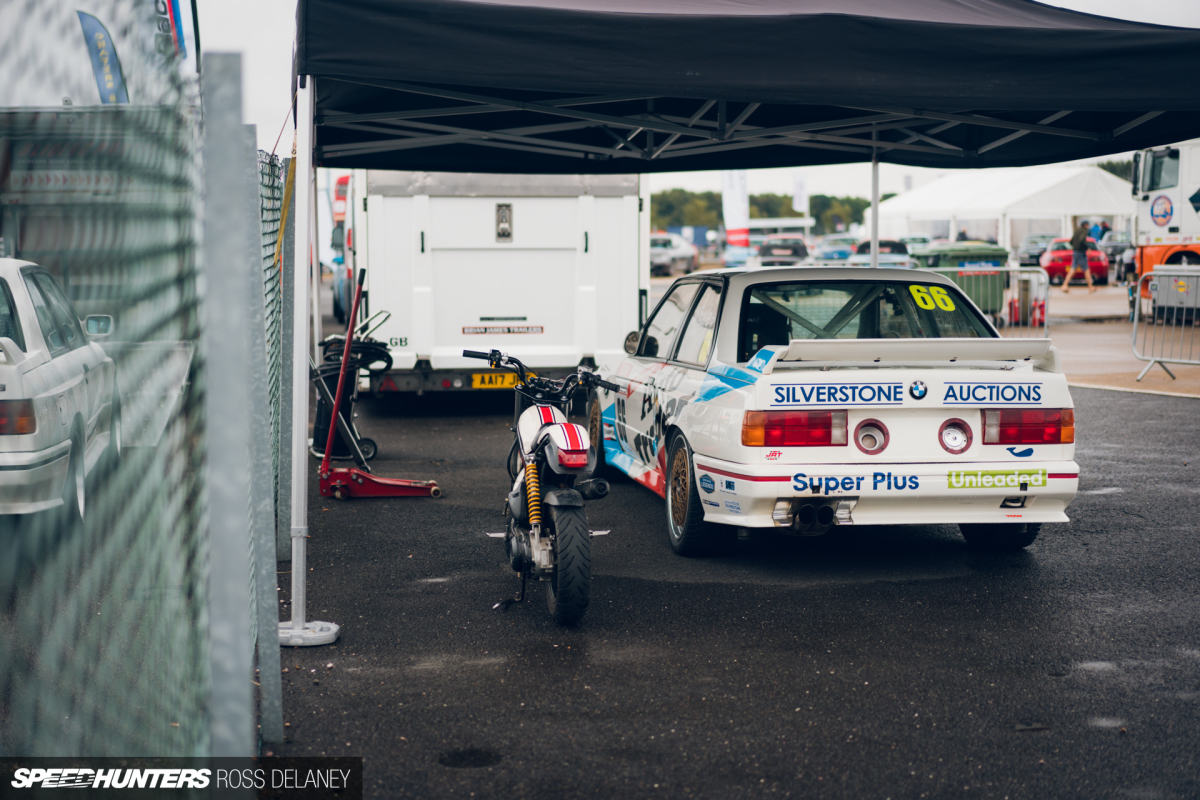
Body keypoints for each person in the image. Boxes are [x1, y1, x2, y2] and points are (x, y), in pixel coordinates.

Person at [1063, 220, 1095, 293]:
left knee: (1073, 269)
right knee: (1086, 269)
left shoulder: (1076, 230)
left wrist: (1075, 246)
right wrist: (1087, 248)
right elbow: (1081, 240)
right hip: (1081, 252)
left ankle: (1064, 285)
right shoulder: (1084, 231)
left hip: (1075, 252)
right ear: (1086, 225)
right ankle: (1090, 287)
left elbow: (1071, 242)